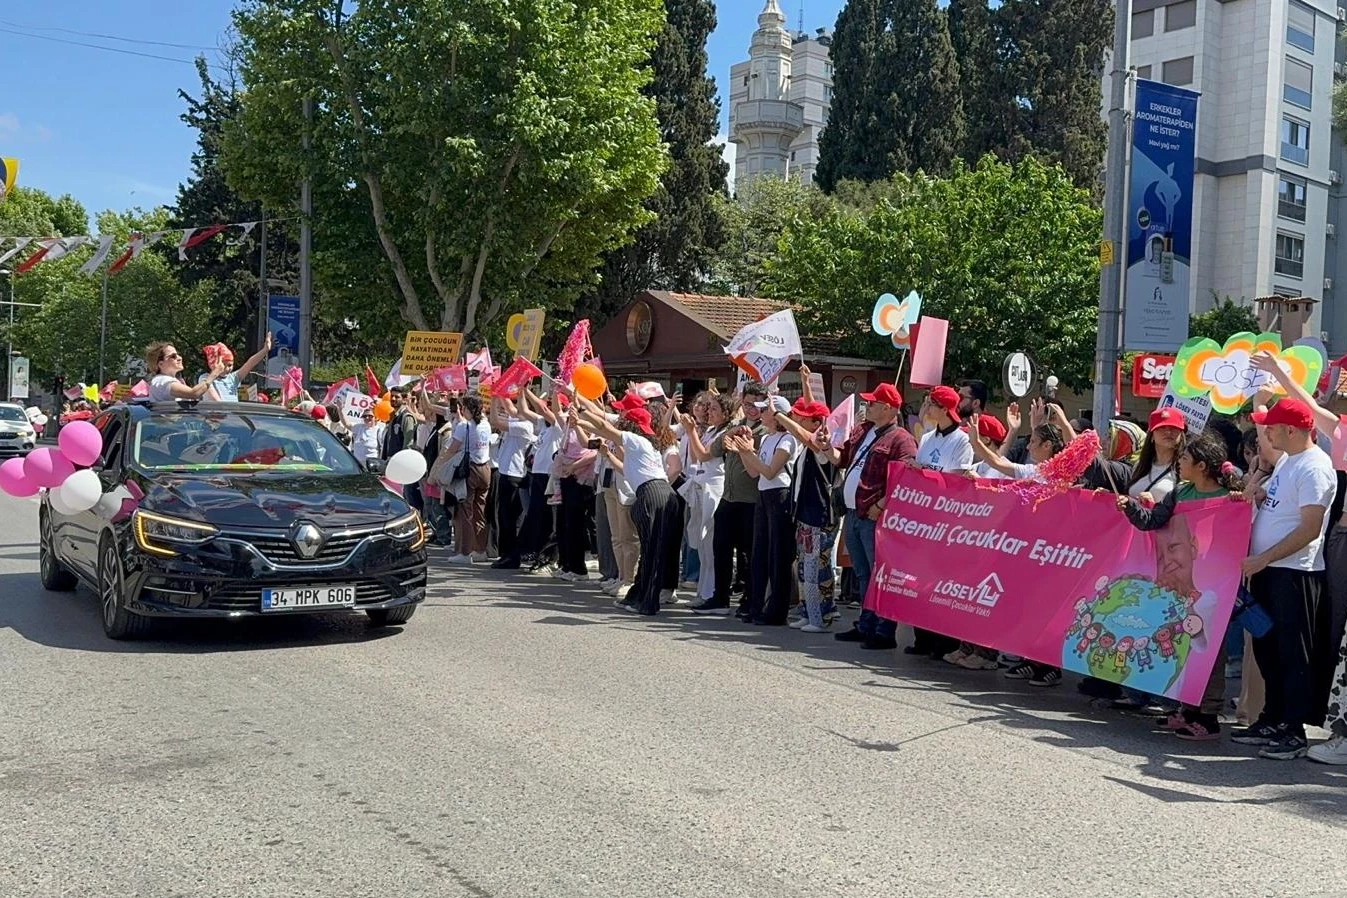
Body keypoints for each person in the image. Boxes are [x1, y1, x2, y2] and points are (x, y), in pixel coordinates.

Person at [1118, 431, 1246, 739]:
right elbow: (1154, 522)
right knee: (1183, 644)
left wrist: (1238, 501)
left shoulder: (1227, 499)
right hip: (1182, 584)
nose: (1180, 464)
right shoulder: (1181, 492)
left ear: (1202, 466)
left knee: (1210, 647)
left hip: (1214, 582)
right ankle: (1186, 709)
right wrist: (1130, 508)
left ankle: (1209, 714)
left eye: (1185, 459)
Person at [1233, 397, 1336, 760]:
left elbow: (1309, 527)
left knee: (1293, 653)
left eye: (1271, 426)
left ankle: (1293, 729)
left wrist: (1264, 558)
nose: (1266, 432)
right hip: (1269, 571)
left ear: (1291, 430)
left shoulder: (1314, 467)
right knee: (1268, 648)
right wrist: (1261, 495)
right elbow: (1283, 510)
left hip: (1294, 574)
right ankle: (1272, 718)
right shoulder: (1290, 462)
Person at [816, 383, 918, 649]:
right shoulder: (863, 430)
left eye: (872, 403)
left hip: (874, 516)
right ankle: (866, 622)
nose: (867, 406)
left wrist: (882, 505)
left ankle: (884, 630)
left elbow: (905, 477)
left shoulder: (902, 439)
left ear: (887, 408)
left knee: (879, 573)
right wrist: (827, 448)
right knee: (863, 573)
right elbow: (842, 459)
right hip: (854, 513)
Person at [576, 395, 679, 616]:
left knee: (652, 550)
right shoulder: (645, 445)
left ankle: (648, 601)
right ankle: (639, 594)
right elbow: (625, 467)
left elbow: (604, 426)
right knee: (651, 548)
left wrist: (583, 414)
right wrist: (581, 424)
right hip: (659, 493)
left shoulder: (635, 439)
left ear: (631, 424)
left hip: (651, 493)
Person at [908, 385, 975, 658]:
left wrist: (923, 472)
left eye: (932, 404)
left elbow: (956, 481)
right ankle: (921, 638)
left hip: (947, 522)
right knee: (920, 580)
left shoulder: (961, 441)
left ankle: (943, 642)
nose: (927, 408)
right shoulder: (926, 438)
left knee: (942, 583)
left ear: (945, 409)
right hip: (923, 520)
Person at [727, 394, 800, 626]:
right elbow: (754, 473)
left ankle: (777, 610)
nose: (760, 413)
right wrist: (743, 451)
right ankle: (757, 605)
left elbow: (770, 471)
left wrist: (748, 451)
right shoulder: (768, 438)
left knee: (778, 555)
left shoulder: (787, 440)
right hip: (764, 495)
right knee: (760, 553)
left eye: (764, 409)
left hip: (780, 496)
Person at [698, 383, 765, 614]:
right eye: (747, 404)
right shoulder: (735, 425)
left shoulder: (765, 430)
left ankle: (749, 597)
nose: (751, 409)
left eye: (756, 404)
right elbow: (712, 451)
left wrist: (743, 445)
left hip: (751, 500)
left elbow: (759, 466)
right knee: (721, 547)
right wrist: (728, 435)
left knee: (748, 551)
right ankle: (720, 597)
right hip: (728, 497)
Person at [489, 395, 537, 570]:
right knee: (505, 517)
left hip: (514, 475)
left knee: (510, 519)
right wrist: (501, 392)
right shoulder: (517, 421)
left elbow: (495, 420)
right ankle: (507, 554)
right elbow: (509, 409)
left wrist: (495, 399)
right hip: (507, 472)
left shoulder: (525, 426)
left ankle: (512, 556)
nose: (515, 409)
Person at [445, 396, 492, 564]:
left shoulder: (464, 427)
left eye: (463, 407)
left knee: (466, 511)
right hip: (485, 469)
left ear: (468, 410)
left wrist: (441, 464)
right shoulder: (486, 424)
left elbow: (452, 449)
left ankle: (465, 552)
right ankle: (480, 549)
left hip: (470, 470)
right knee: (480, 511)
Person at [145, 341, 227, 401]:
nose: (179, 358)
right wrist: (215, 372)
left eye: (177, 354)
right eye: (173, 356)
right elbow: (194, 393)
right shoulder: (162, 381)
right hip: (168, 424)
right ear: (161, 364)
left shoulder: (171, 380)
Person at [200, 334, 272, 401]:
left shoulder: (233, 378)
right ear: (213, 364)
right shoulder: (205, 378)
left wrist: (265, 350)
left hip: (232, 414)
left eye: (230, 365)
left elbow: (250, 363)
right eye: (223, 365)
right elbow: (216, 401)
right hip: (216, 413)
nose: (228, 369)